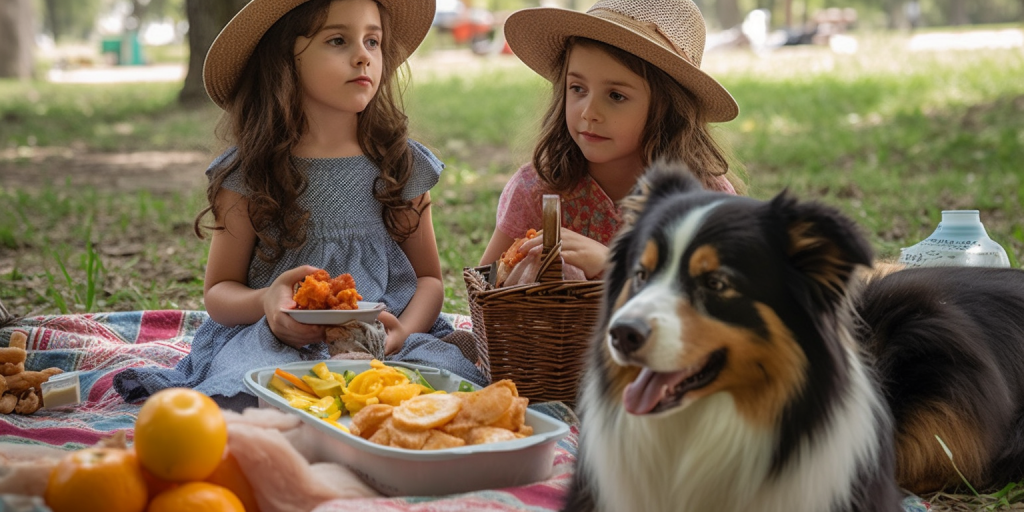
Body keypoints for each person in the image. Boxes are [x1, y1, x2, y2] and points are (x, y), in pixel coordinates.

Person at [114, 0, 486, 411]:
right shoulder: (250, 171)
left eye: (373, 41)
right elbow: (219, 292)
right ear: (285, 59)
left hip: (388, 336)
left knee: (440, 383)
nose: (363, 55)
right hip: (277, 339)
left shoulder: (401, 165)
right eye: (338, 40)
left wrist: (398, 335)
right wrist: (268, 303)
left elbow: (429, 280)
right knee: (250, 384)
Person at [479, 0, 745, 279]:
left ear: (667, 108)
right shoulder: (537, 189)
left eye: (616, 96)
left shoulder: (702, 196)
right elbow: (485, 281)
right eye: (578, 88)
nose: (588, 112)